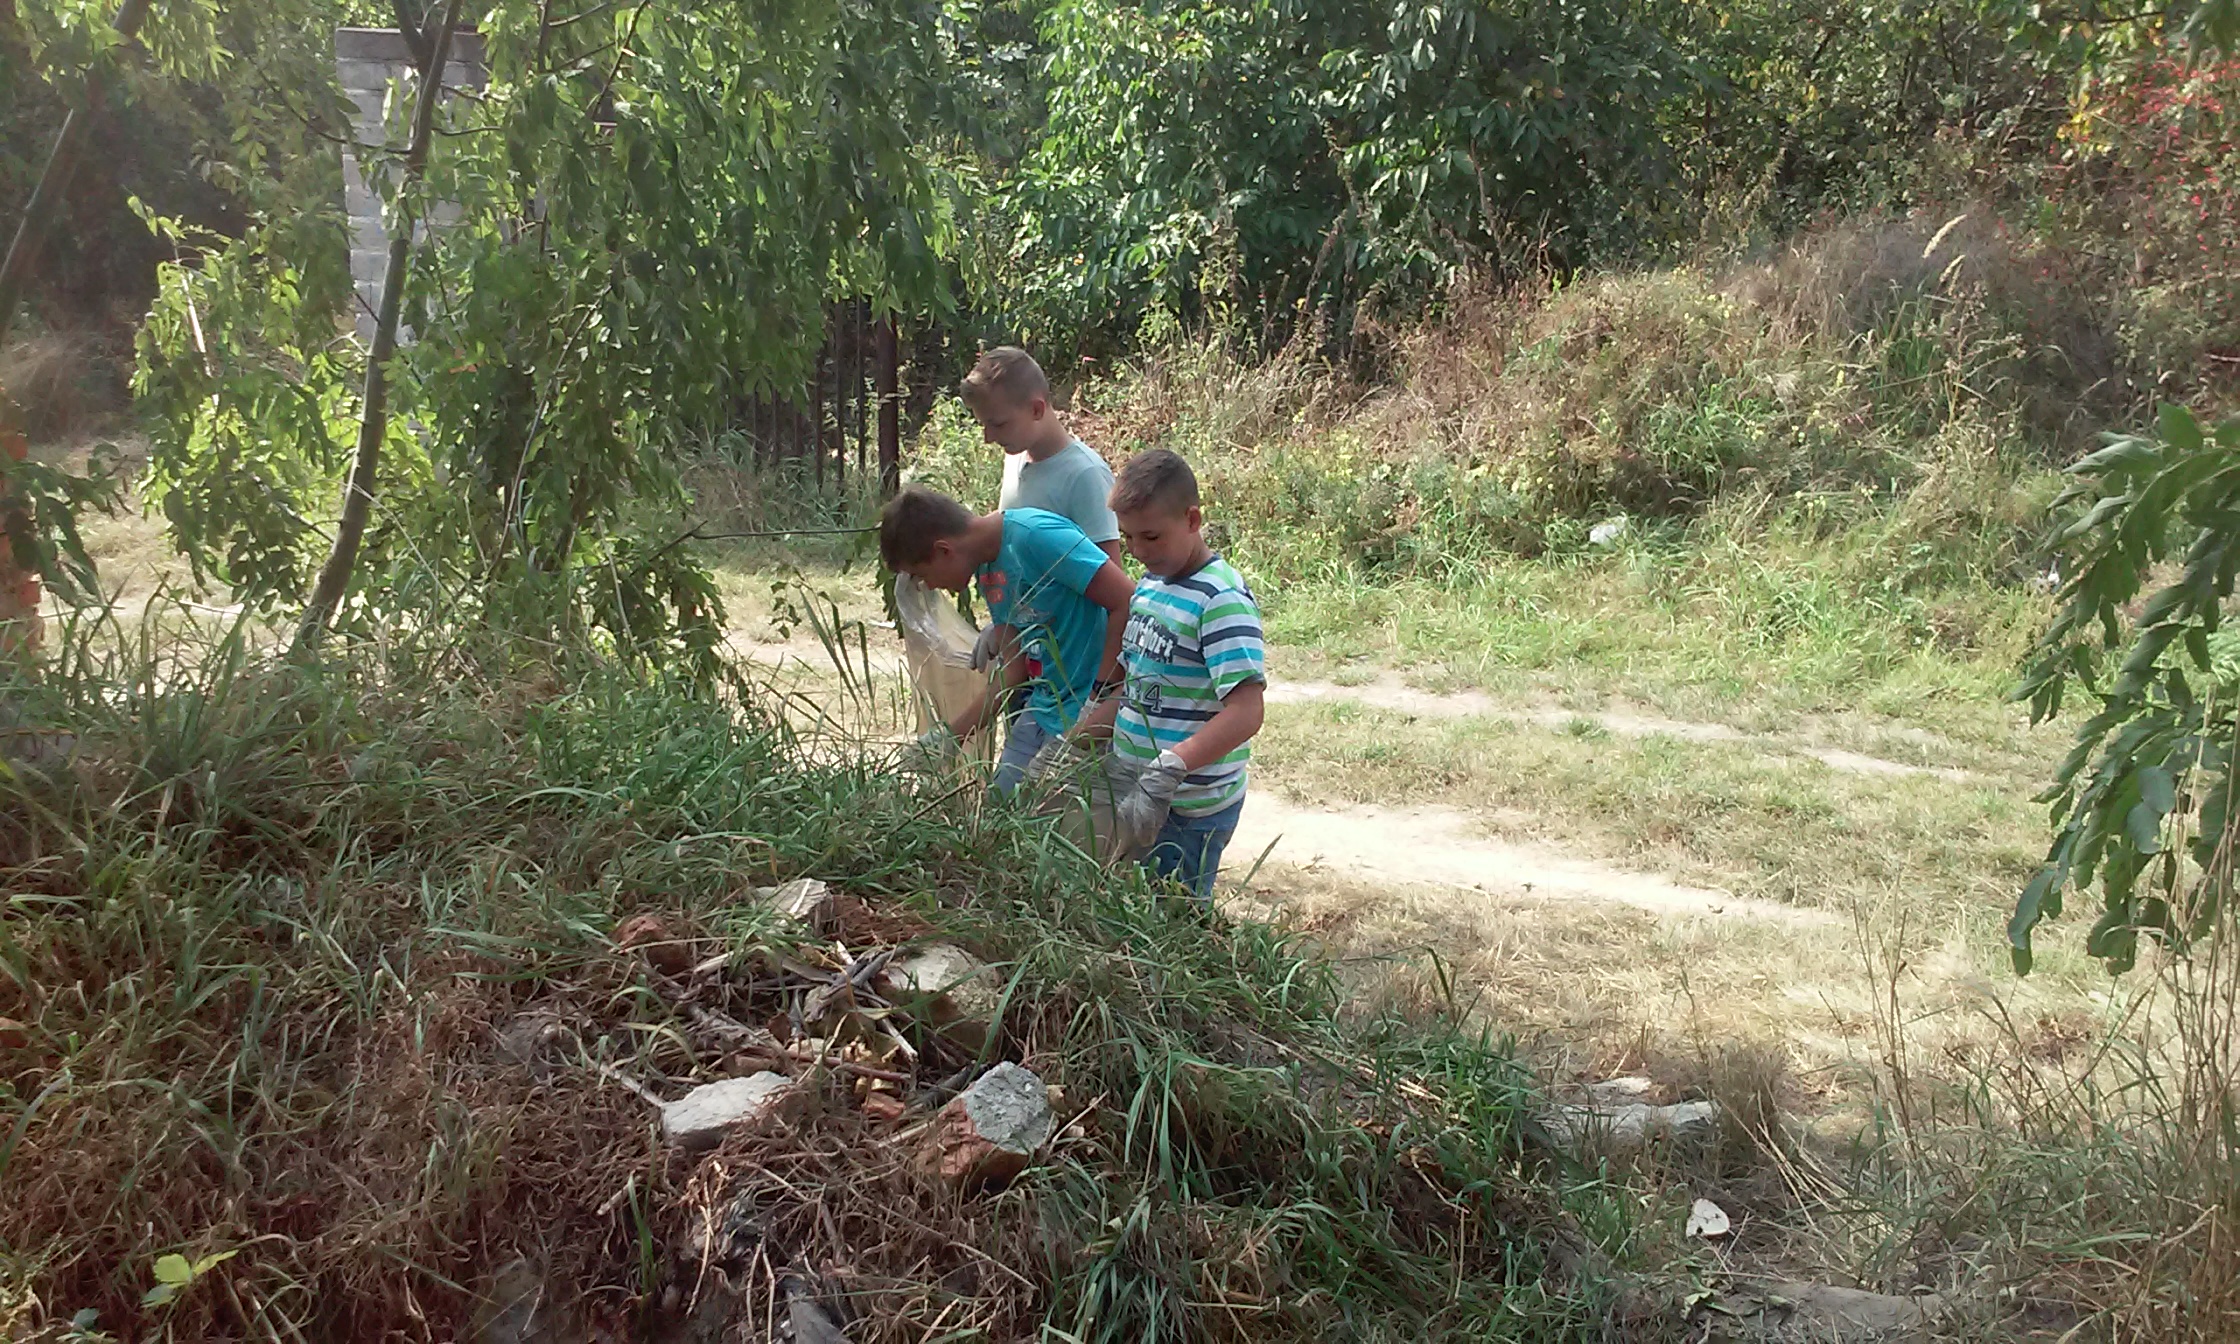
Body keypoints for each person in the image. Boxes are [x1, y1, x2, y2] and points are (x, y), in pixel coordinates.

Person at [1076, 449, 1266, 905]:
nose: (1139, 551)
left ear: (1192, 520)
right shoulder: (1148, 587)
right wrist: (1072, 742)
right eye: (1128, 537)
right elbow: (1134, 691)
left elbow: (1247, 711)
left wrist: (1172, 765)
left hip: (1188, 809)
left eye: (1152, 536)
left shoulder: (1219, 599)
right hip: (1133, 790)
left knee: (1173, 920)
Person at [878, 485, 1133, 795]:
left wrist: (1100, 695)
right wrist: (948, 738)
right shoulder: (987, 565)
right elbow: (1013, 671)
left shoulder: (1038, 537)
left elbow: (1126, 600)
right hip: (1043, 709)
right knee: (1000, 809)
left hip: (1087, 714)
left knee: (1056, 815)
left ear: (943, 550)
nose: (928, 586)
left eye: (922, 576)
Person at [958, 347, 1122, 679]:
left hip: (1073, 666)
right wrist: (1002, 627)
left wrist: (1103, 686)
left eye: (997, 424)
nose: (988, 437)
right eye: (983, 425)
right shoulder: (1015, 459)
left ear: (1036, 409)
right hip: (1030, 658)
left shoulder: (1085, 475)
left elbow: (1112, 583)